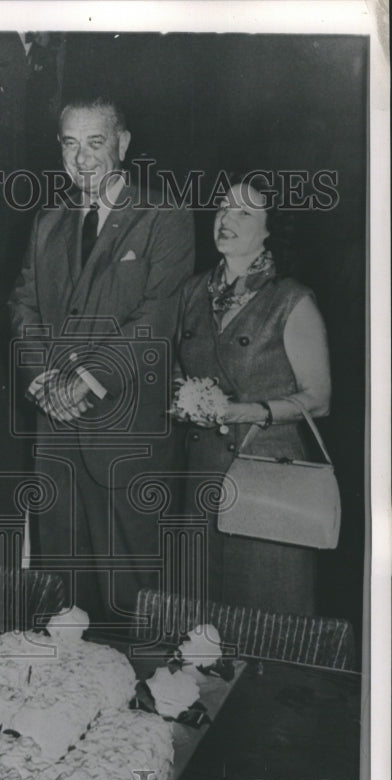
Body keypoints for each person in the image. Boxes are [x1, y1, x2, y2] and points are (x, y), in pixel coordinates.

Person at [9, 97, 195, 625]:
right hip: (56, 436)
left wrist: (88, 381)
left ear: (123, 144)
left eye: (96, 143)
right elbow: (22, 302)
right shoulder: (49, 220)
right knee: (60, 599)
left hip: (123, 440)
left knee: (131, 599)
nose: (83, 158)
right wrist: (45, 377)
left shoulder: (165, 215)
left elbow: (157, 314)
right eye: (70, 143)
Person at [175, 178, 331, 615]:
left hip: (269, 477)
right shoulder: (191, 292)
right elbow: (176, 372)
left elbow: (319, 399)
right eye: (223, 209)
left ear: (269, 229)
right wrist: (181, 400)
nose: (226, 219)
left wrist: (252, 410)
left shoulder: (290, 299)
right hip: (203, 477)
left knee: (266, 612)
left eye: (244, 212)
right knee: (202, 620)